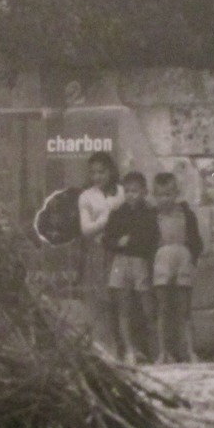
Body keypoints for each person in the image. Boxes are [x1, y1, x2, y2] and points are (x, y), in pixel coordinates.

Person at [103, 170, 159, 363]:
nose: (130, 195)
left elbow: (151, 241)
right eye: (127, 191)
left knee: (147, 308)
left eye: (134, 191)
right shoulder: (118, 214)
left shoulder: (150, 215)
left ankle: (155, 351)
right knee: (123, 307)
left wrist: (133, 243)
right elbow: (106, 240)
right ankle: (129, 351)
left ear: (144, 192)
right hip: (121, 262)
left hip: (141, 262)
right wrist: (119, 242)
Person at [151, 171, 204, 363]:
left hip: (182, 259)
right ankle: (163, 352)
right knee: (163, 307)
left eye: (169, 194)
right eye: (160, 195)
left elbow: (197, 241)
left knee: (184, 308)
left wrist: (192, 259)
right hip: (161, 260)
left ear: (176, 193)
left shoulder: (186, 214)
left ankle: (189, 350)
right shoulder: (152, 216)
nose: (165, 199)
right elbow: (148, 243)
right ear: (154, 195)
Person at [77, 152, 125, 354]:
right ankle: (105, 347)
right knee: (100, 299)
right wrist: (108, 216)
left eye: (102, 172)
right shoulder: (86, 196)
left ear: (111, 171)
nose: (97, 177)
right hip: (98, 251)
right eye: (93, 173)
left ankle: (127, 346)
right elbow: (86, 229)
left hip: (121, 251)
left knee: (122, 298)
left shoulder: (121, 192)